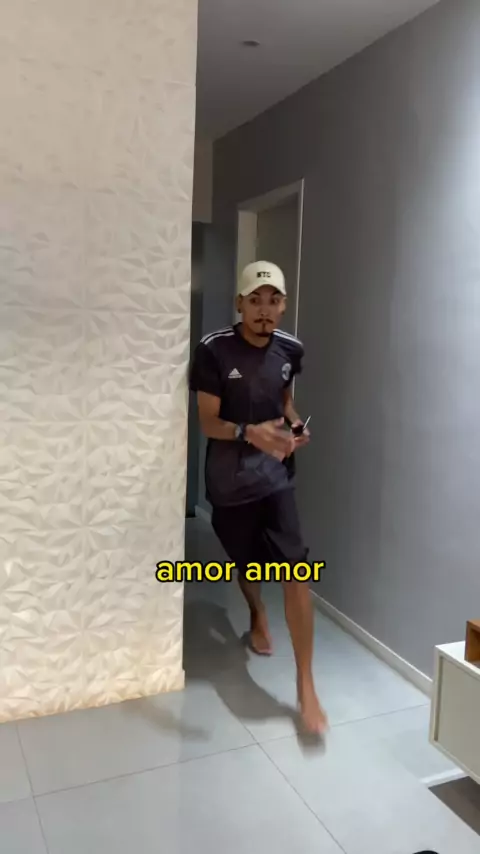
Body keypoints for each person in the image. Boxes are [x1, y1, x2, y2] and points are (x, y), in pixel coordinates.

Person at [189, 260, 328, 735]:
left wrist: (294, 424)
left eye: (273, 300)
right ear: (240, 304)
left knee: (296, 571)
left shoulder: (291, 349)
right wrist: (249, 432)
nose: (264, 310)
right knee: (246, 564)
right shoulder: (213, 349)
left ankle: (305, 684)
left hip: (275, 478)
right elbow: (207, 421)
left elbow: (283, 399)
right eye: (255, 300)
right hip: (229, 484)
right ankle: (256, 612)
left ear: (283, 305)